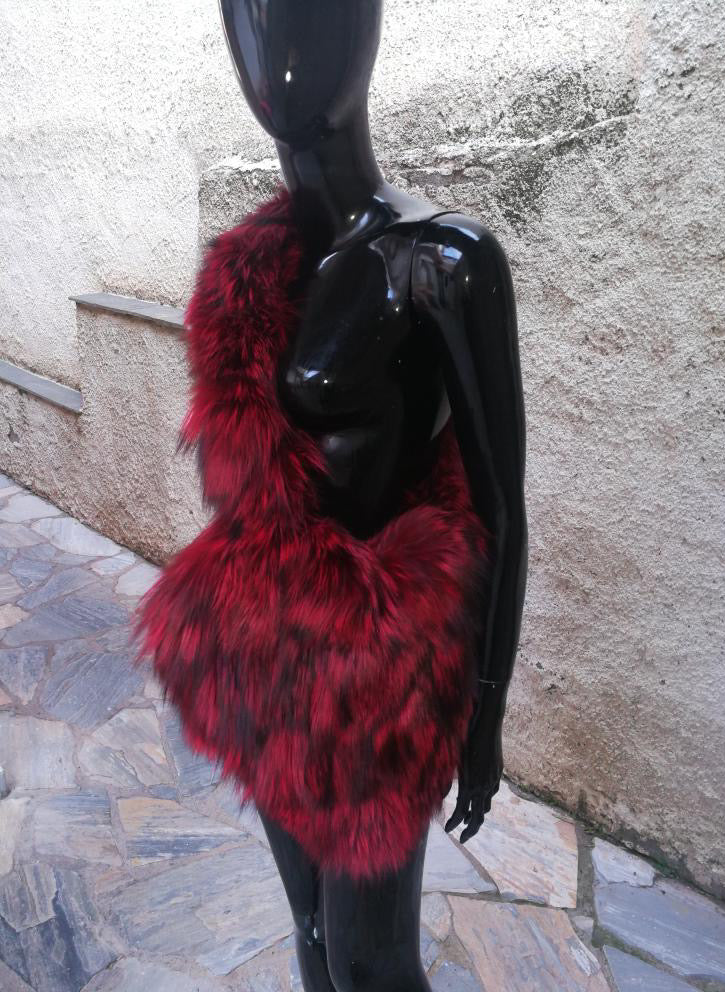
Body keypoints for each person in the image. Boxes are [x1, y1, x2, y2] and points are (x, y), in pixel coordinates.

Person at [152, 3, 526, 989]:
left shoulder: (445, 257)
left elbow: (503, 508)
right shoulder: (258, 261)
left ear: (366, 24)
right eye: (246, 13)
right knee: (313, 936)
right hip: (268, 653)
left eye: (306, 10)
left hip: (374, 686)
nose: (271, 42)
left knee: (371, 963)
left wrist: (483, 714)